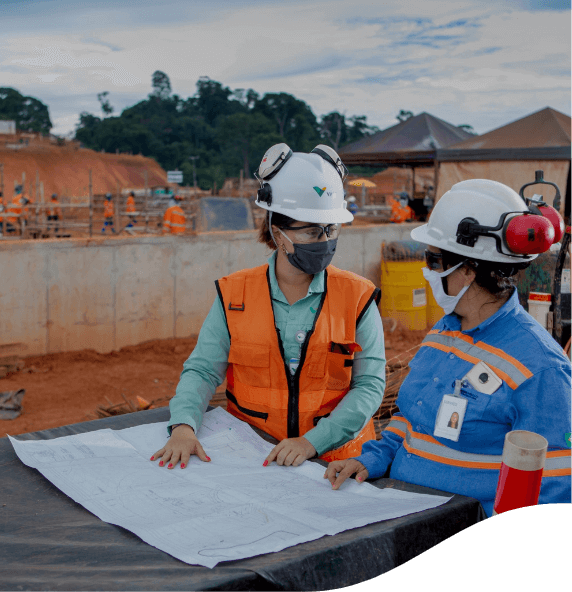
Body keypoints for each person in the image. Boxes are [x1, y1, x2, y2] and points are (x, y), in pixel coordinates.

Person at [325, 179, 572, 516]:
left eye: (435, 260)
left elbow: (554, 484)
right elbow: (410, 420)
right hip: (400, 517)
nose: (427, 270)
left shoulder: (540, 367)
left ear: (468, 271)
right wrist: (374, 459)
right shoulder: (444, 330)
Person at [151, 143, 386, 470]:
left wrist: (310, 443)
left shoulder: (357, 297)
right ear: (278, 232)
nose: (325, 240)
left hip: (337, 466)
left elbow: (369, 386)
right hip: (255, 461)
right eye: (311, 230)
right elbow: (203, 370)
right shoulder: (235, 295)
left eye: (331, 229)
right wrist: (183, 427)